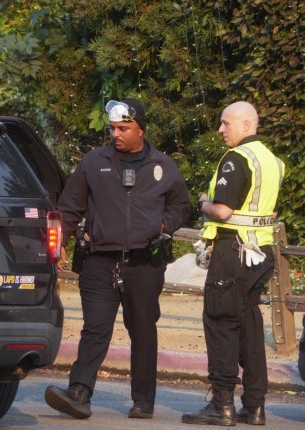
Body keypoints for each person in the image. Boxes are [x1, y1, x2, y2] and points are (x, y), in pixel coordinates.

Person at [44, 98, 191, 420]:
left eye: (123, 128)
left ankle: (143, 401)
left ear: (141, 129)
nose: (116, 134)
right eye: (113, 128)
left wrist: (164, 225)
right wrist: (60, 242)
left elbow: (181, 204)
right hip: (99, 260)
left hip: (144, 262)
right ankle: (79, 392)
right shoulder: (93, 162)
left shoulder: (164, 166)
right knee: (94, 327)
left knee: (142, 330)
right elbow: (70, 207)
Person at [182, 101, 284, 426]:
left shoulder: (236, 158)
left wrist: (203, 203)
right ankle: (255, 406)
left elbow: (223, 211)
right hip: (262, 251)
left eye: (226, 123)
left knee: (220, 320)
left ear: (245, 124)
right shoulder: (273, 161)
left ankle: (221, 404)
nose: (220, 130)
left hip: (234, 251)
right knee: (250, 326)